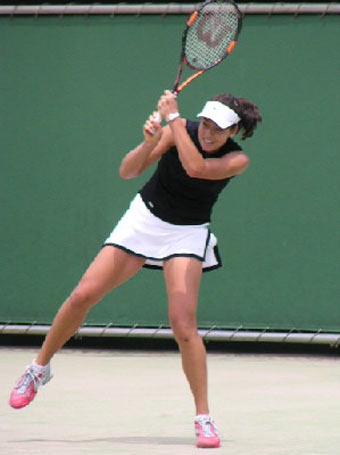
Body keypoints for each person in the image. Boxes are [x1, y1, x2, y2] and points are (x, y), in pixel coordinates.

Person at [9, 89, 262, 449]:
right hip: (145, 218)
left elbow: (196, 168)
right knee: (82, 295)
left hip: (186, 233)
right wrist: (148, 143)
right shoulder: (178, 130)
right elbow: (128, 171)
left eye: (218, 129)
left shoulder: (237, 160)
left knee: (184, 324)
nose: (207, 133)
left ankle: (203, 419)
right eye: (205, 124)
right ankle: (38, 369)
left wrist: (172, 121)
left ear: (233, 132)